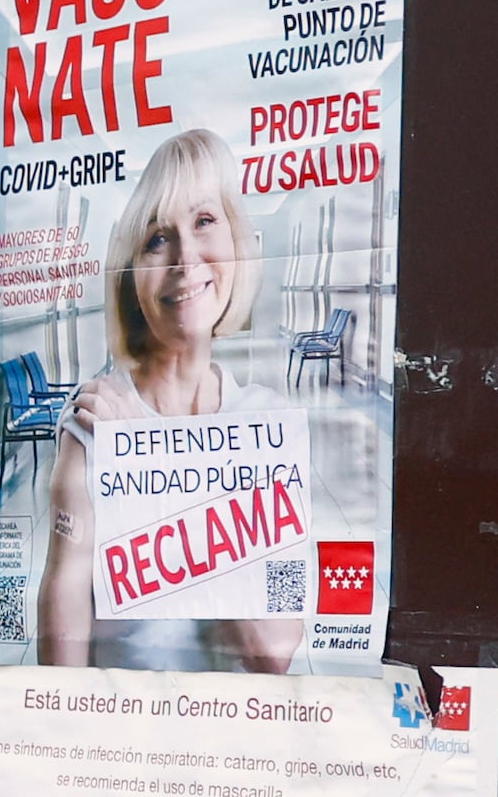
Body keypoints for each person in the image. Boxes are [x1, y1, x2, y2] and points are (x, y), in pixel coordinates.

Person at [39, 125, 309, 672]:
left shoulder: (268, 423)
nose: (185, 259)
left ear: (234, 239)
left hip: (230, 738)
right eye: (158, 238)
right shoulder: (95, 420)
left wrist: (156, 468)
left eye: (204, 221)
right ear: (133, 278)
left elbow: (273, 652)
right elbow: (61, 660)